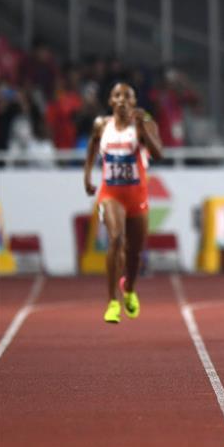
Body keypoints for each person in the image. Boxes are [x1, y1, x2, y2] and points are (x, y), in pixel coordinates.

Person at [83, 83, 162, 323]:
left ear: (134, 102)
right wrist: (87, 175)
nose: (122, 100)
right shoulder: (101, 125)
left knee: (134, 253)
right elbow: (92, 147)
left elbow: (158, 153)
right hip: (110, 194)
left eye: (127, 97)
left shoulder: (144, 123)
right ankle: (112, 301)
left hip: (137, 196)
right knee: (116, 238)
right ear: (110, 101)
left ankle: (129, 289)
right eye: (117, 95)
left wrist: (142, 129)